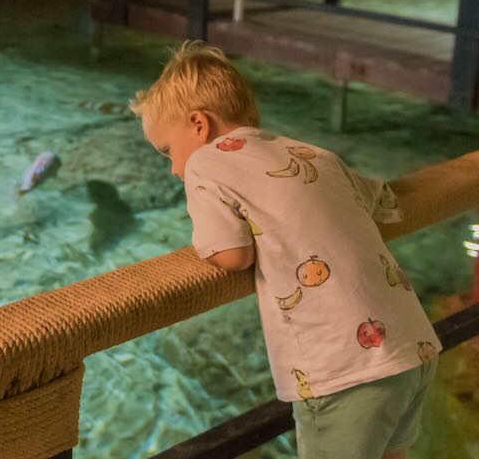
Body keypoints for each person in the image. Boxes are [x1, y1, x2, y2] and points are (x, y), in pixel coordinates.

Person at [130, 41, 440, 459]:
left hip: (344, 371)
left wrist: (204, 241)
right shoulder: (312, 153)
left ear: (199, 124)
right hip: (413, 345)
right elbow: (381, 200)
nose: (172, 168)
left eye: (168, 151)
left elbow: (234, 254)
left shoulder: (205, 164)